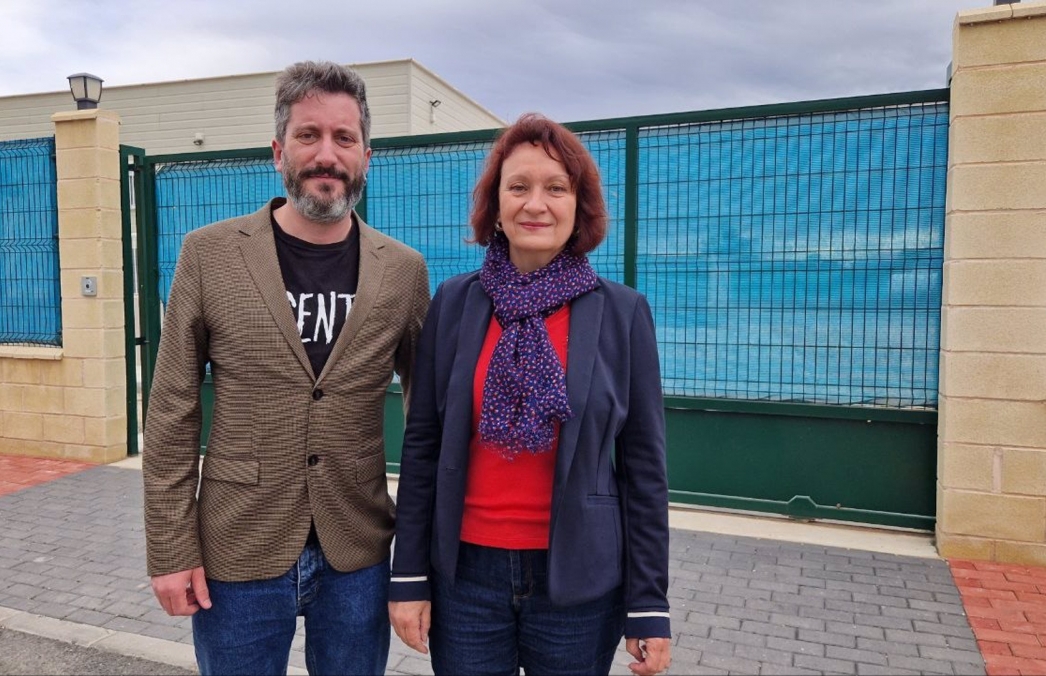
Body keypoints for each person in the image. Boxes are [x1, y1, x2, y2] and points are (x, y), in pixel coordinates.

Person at [142, 60, 430, 676]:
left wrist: (420, 554)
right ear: (279, 151)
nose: (327, 154)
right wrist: (170, 548)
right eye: (309, 135)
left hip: (358, 550)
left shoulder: (403, 271)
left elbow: (427, 415)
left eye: (343, 138)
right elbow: (171, 409)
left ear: (366, 156)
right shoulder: (209, 254)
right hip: (236, 550)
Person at [388, 113, 672, 676]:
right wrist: (408, 575)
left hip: (579, 583)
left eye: (555, 188)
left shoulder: (622, 314)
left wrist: (649, 603)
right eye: (517, 187)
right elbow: (423, 444)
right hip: (464, 579)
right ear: (495, 206)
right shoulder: (453, 303)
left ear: (578, 206)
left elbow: (644, 469)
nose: (535, 204)